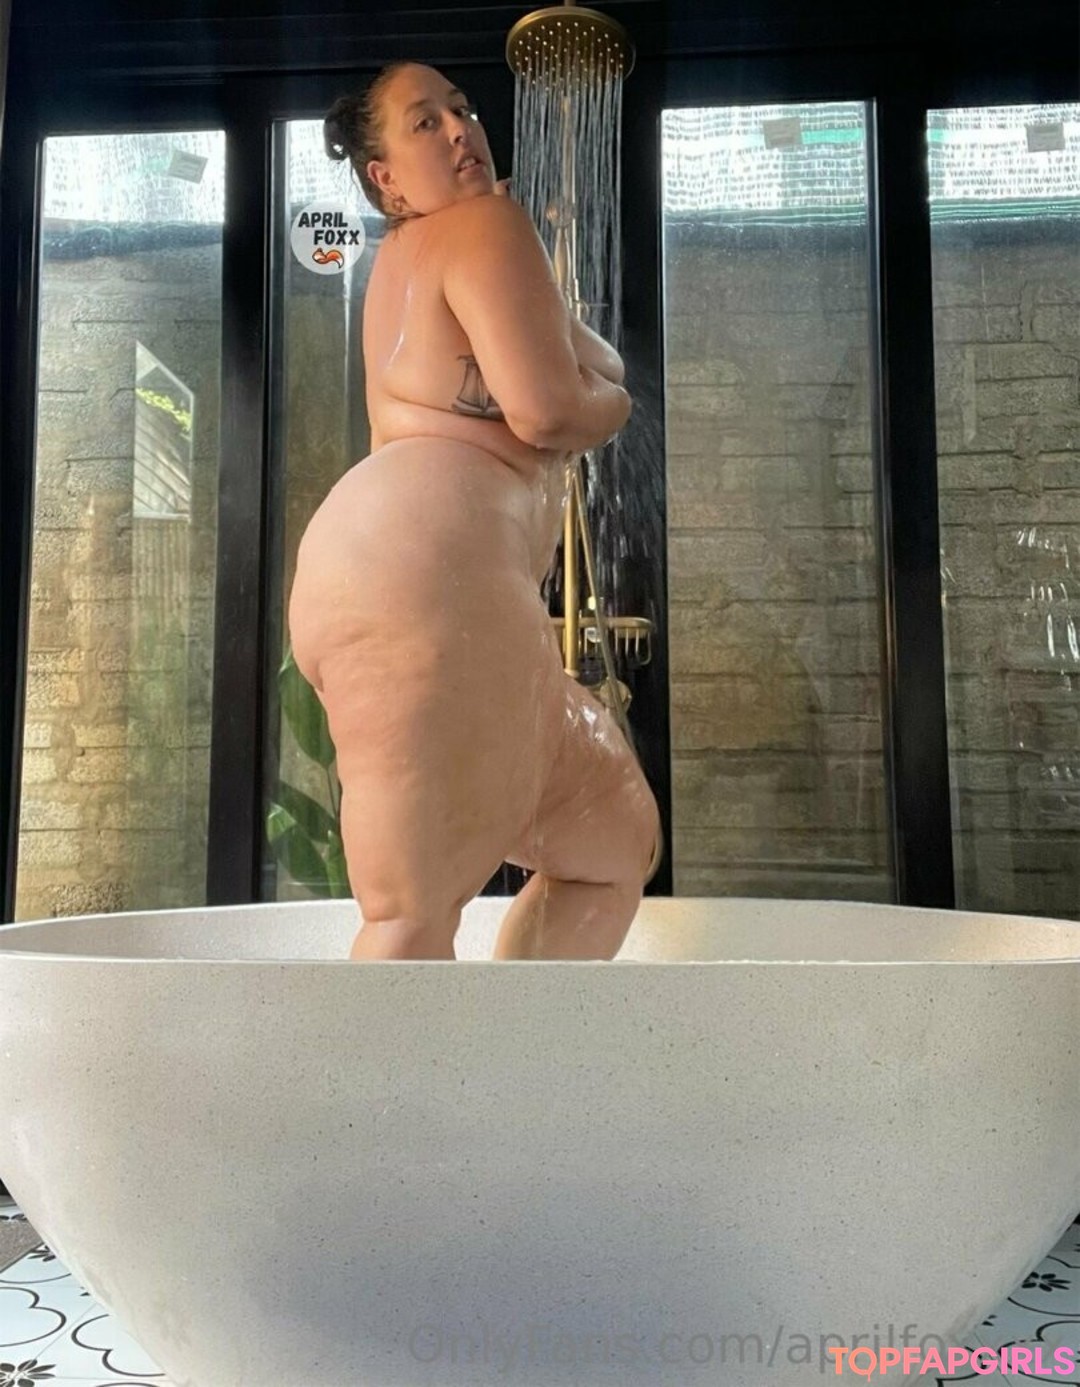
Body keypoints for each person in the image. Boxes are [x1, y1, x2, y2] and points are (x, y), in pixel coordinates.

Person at [287, 61, 661, 961]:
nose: (460, 129)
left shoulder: (404, 264)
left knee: (611, 832)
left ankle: (507, 1038)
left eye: (462, 109)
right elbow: (549, 410)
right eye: (425, 122)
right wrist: (613, 405)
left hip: (392, 579)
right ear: (384, 178)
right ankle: (410, 1064)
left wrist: (590, 368)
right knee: (410, 912)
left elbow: (572, 353)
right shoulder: (487, 225)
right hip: (430, 584)